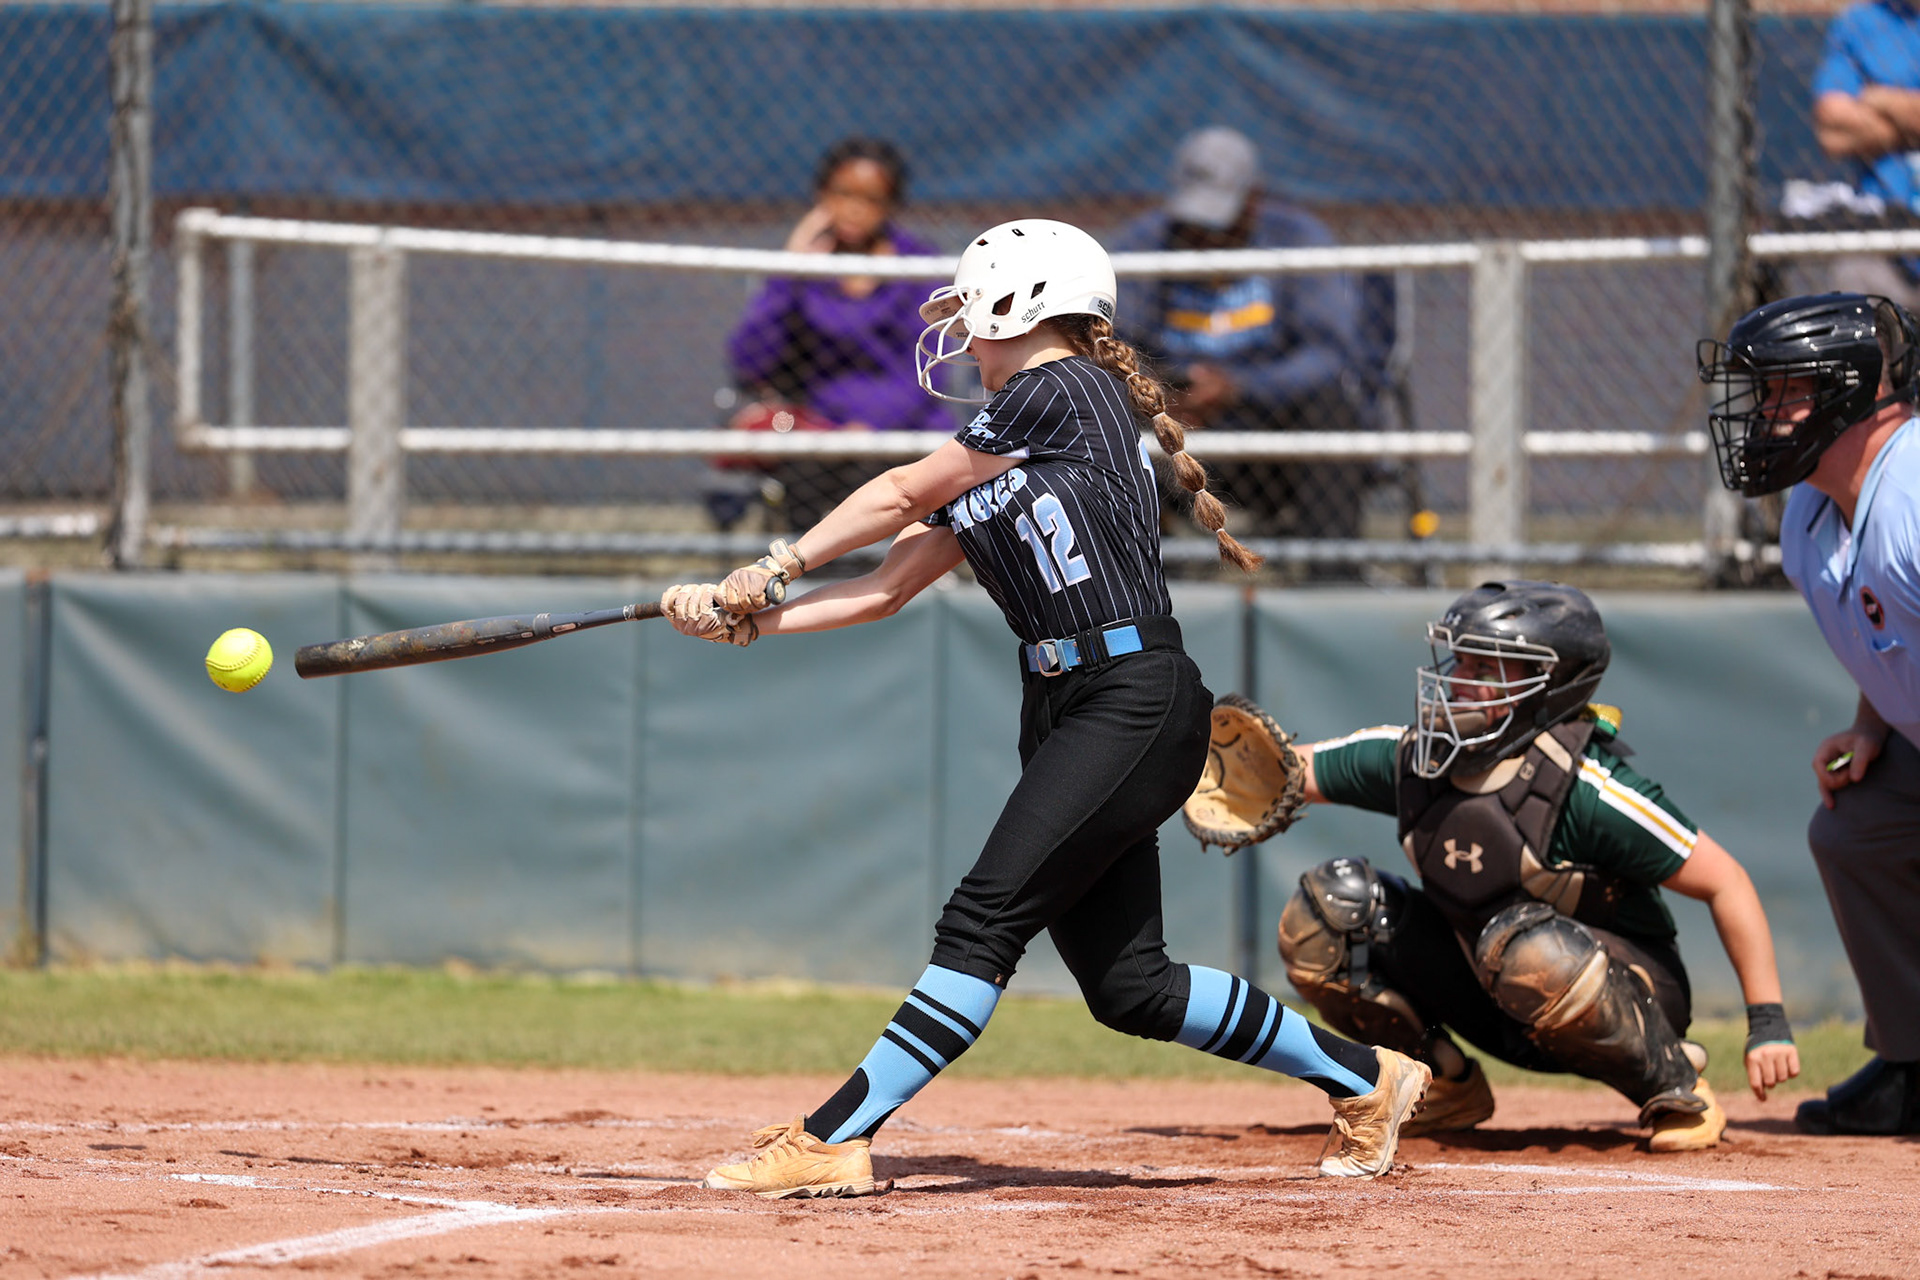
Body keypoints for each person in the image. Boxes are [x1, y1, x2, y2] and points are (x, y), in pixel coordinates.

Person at [659, 218, 1431, 1198]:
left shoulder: (1061, 389)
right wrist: (754, 623)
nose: (964, 339)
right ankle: (1367, 1076)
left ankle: (835, 1133)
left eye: (973, 316)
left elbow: (899, 489)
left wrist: (772, 564)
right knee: (1130, 986)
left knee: (981, 919)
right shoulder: (1005, 442)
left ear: (1019, 304)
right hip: (1069, 705)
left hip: (1131, 694)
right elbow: (890, 588)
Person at [1257, 581, 1800, 1152]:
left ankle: (1674, 1084)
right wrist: (1187, 767)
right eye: (1460, 659)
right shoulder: (1420, 756)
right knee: (1327, 908)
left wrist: (1767, 1023)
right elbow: (1292, 771)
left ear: (1552, 688)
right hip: (1494, 994)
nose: (1459, 679)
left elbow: (1726, 882)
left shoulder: (1588, 787)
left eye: (1487, 668)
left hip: (1621, 993)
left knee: (1528, 946)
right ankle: (1439, 1083)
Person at [1700, 291, 1920, 1136]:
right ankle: (1911, 1064)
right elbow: (1895, 631)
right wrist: (1873, 725)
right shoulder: (1810, 513)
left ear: (1853, 391)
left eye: (1783, 390)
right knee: (1855, 829)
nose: (1762, 414)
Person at [1108, 126, 1371, 550]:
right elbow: (1110, 341)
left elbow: (1328, 354)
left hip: (1266, 425)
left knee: (1332, 405)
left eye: (1218, 220)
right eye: (1194, 222)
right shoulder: (1144, 242)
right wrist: (1161, 393)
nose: (1206, 236)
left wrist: (1238, 388)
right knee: (1098, 395)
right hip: (1170, 420)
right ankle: (1136, 576)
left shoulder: (1298, 238)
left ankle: (1332, 574)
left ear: (1252, 200)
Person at [722, 137, 952, 531]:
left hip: (901, 431)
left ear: (891, 205)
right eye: (842, 193)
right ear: (821, 196)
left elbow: (929, 370)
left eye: (871, 198)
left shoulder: (917, 267)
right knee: (806, 478)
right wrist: (790, 270)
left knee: (877, 476)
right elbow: (749, 361)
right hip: (820, 432)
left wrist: (868, 427)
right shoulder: (805, 273)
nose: (853, 208)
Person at [1811, 1, 1920, 309]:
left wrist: (1879, 98)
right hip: (1881, 234)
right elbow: (1832, 130)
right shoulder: (1860, 22)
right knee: (1853, 285)